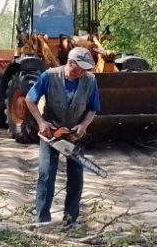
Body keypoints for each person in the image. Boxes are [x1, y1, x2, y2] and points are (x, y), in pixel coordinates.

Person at [24, 47, 101, 226]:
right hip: (52, 133)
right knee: (46, 174)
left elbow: (93, 109)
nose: (83, 71)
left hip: (75, 134)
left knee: (76, 176)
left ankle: (70, 219)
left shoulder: (90, 81)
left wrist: (83, 126)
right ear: (71, 63)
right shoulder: (49, 76)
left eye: (86, 68)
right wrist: (41, 122)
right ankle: (42, 218)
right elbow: (29, 99)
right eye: (81, 67)